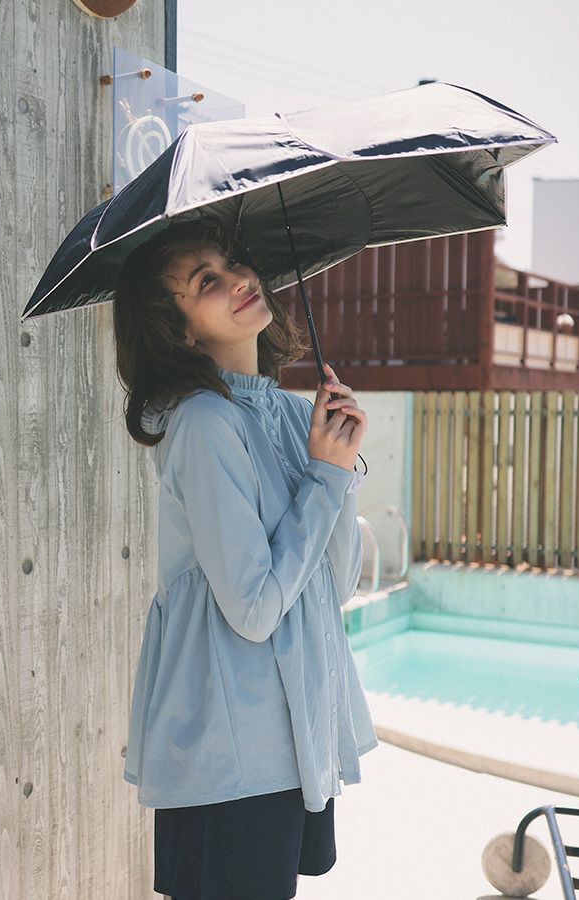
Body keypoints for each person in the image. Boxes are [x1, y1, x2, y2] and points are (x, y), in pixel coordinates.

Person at [113, 219, 379, 900]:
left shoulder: (292, 415)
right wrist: (324, 479)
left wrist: (340, 467)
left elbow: (333, 586)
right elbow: (255, 609)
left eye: (233, 262)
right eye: (207, 280)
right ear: (179, 330)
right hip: (230, 744)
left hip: (294, 733)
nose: (238, 279)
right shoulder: (203, 423)